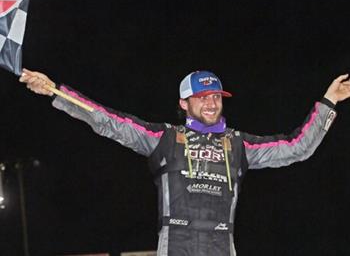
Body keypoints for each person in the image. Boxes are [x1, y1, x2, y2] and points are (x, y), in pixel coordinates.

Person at [19, 69, 350, 256]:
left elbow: (297, 147)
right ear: (184, 102)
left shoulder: (238, 144)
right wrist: (55, 92)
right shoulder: (163, 138)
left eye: (216, 97)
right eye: (202, 97)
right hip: (176, 244)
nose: (210, 103)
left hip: (222, 244)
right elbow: (108, 121)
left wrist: (329, 101)